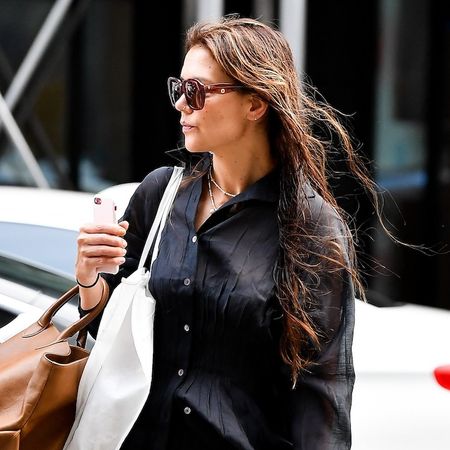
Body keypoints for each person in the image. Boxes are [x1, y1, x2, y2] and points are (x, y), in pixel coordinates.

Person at [75, 14, 374, 450]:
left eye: (196, 91)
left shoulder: (311, 227)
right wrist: (89, 277)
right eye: (178, 89)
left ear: (255, 105)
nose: (181, 105)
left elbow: (322, 396)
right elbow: (112, 337)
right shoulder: (160, 194)